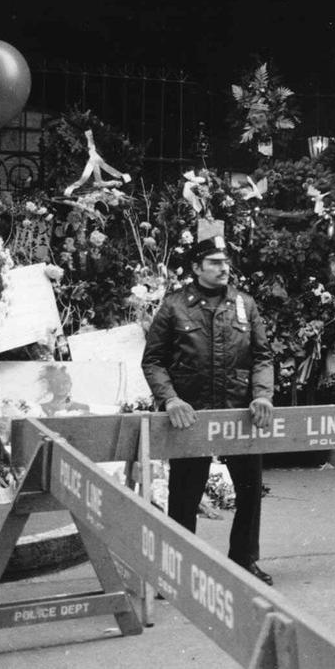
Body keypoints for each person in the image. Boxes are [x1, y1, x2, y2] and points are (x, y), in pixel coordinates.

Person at [141, 235, 276, 585]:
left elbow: (262, 356)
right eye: (215, 262)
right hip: (191, 416)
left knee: (250, 490)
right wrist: (170, 399)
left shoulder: (245, 304)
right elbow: (153, 361)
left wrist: (262, 395)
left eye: (226, 262)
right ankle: (179, 566)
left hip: (239, 414)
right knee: (185, 494)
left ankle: (244, 560)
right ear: (197, 267)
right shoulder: (174, 307)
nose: (223, 268)